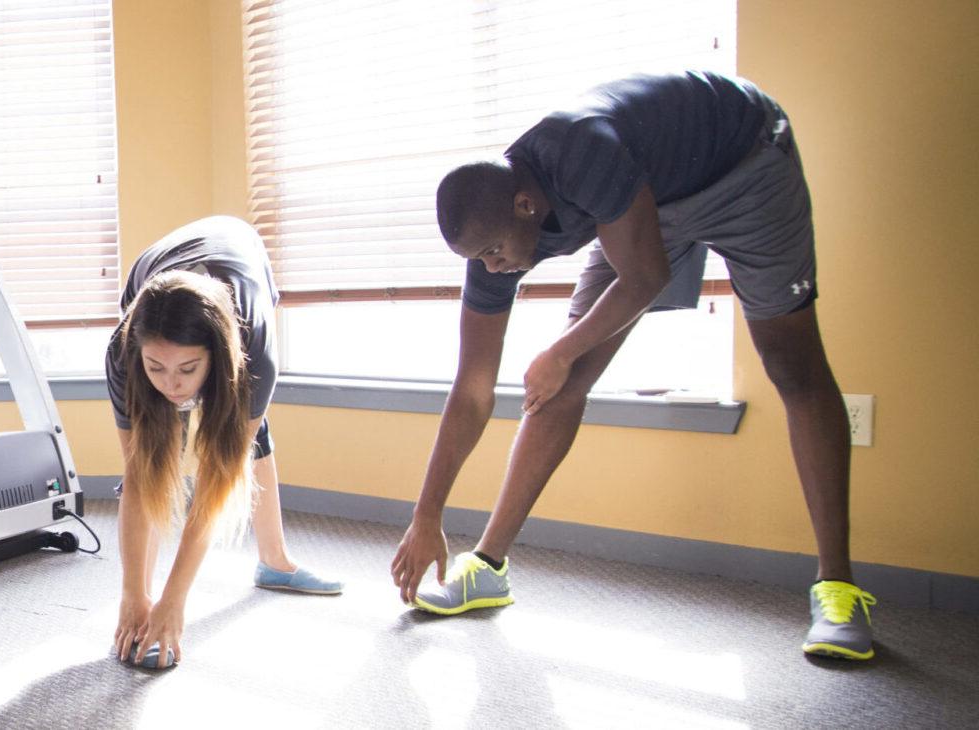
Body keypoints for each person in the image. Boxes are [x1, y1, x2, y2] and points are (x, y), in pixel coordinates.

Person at [391, 70, 876, 660]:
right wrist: (427, 514)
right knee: (562, 385)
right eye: (478, 258)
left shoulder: (584, 151)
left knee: (792, 364)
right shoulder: (491, 237)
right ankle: (489, 568)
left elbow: (645, 277)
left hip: (744, 165)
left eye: (493, 252)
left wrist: (560, 351)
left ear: (527, 205)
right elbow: (471, 389)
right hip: (645, 201)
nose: (490, 267)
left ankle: (838, 589)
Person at [107, 215, 344, 670]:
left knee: (241, 437)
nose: (172, 386)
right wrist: (133, 594)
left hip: (240, 255)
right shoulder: (122, 352)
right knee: (153, 457)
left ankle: (275, 562)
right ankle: (142, 599)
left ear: (216, 357)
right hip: (152, 272)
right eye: (157, 368)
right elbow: (138, 479)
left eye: (187, 369)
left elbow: (217, 486)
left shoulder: (256, 354)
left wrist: (175, 601)